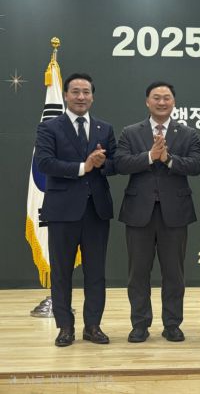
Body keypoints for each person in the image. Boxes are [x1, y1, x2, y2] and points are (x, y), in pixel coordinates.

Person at [115, 81, 200, 343]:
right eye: (156, 97)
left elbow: (196, 165)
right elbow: (120, 163)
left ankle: (172, 324)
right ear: (147, 101)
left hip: (174, 212)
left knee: (174, 273)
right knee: (138, 273)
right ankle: (140, 324)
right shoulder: (131, 132)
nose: (161, 102)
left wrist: (168, 159)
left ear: (173, 102)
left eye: (166, 98)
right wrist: (150, 156)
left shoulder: (187, 133)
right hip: (138, 212)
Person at [34, 72, 116, 347]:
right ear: (66, 95)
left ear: (93, 96)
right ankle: (65, 327)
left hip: (96, 211)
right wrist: (84, 166)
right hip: (62, 211)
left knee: (96, 273)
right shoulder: (49, 127)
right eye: (76, 92)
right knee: (61, 272)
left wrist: (102, 164)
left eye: (86, 92)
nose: (81, 97)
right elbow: (45, 162)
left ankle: (93, 326)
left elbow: (114, 163)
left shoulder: (105, 128)